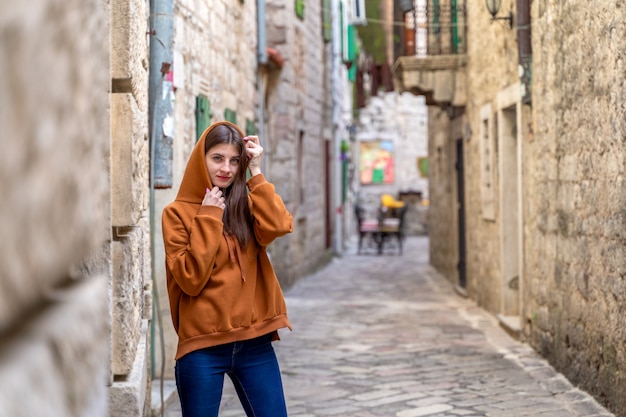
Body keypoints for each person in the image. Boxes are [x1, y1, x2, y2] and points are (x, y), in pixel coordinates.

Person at [162, 121, 293, 417]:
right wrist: (208, 215)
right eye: (217, 158)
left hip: (254, 344)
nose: (227, 169)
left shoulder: (247, 206)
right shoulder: (176, 214)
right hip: (202, 348)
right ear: (201, 159)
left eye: (235, 161)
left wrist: (256, 171)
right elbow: (191, 279)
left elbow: (279, 225)